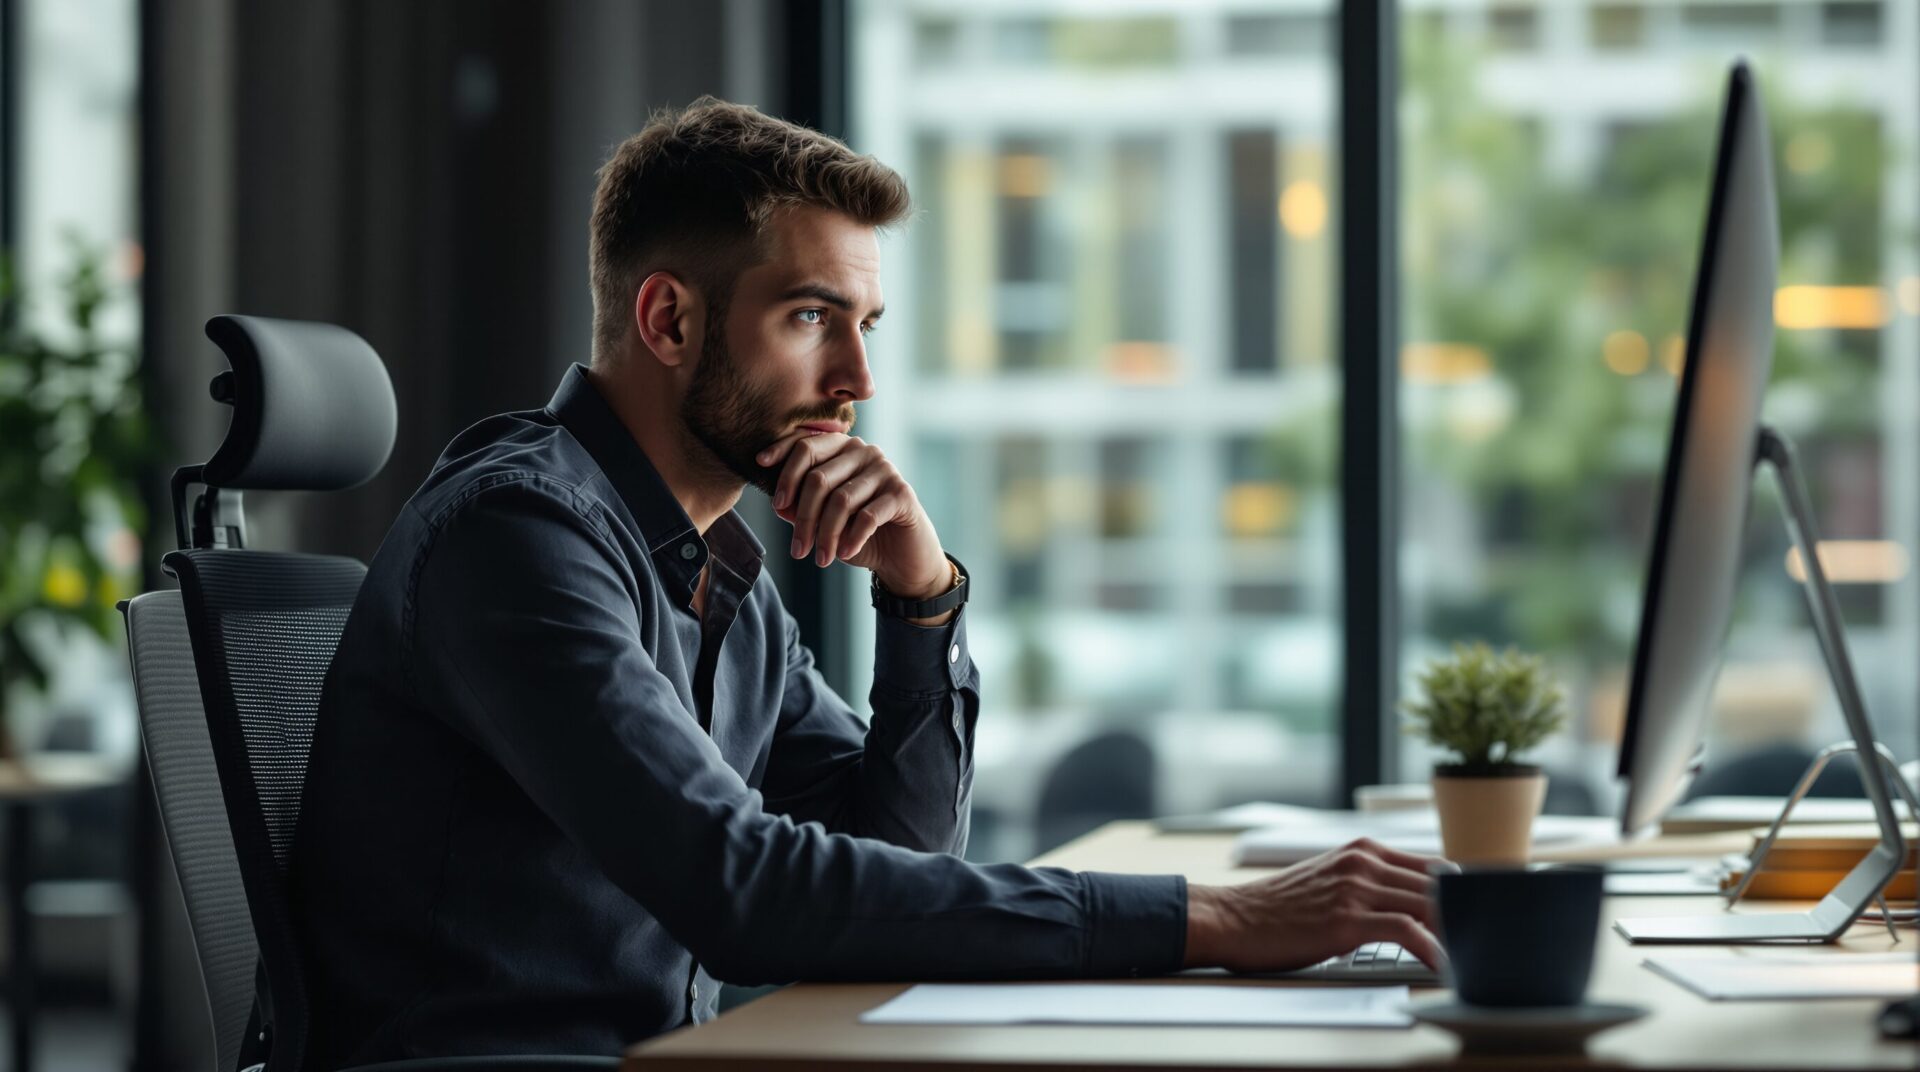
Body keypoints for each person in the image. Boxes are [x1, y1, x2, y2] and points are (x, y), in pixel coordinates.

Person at [291, 97, 1445, 1064]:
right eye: (811, 317)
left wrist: (921, 596)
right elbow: (741, 886)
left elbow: (893, 859)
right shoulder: (520, 536)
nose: (857, 378)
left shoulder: (718, 576)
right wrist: (1221, 916)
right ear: (669, 318)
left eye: (867, 325)